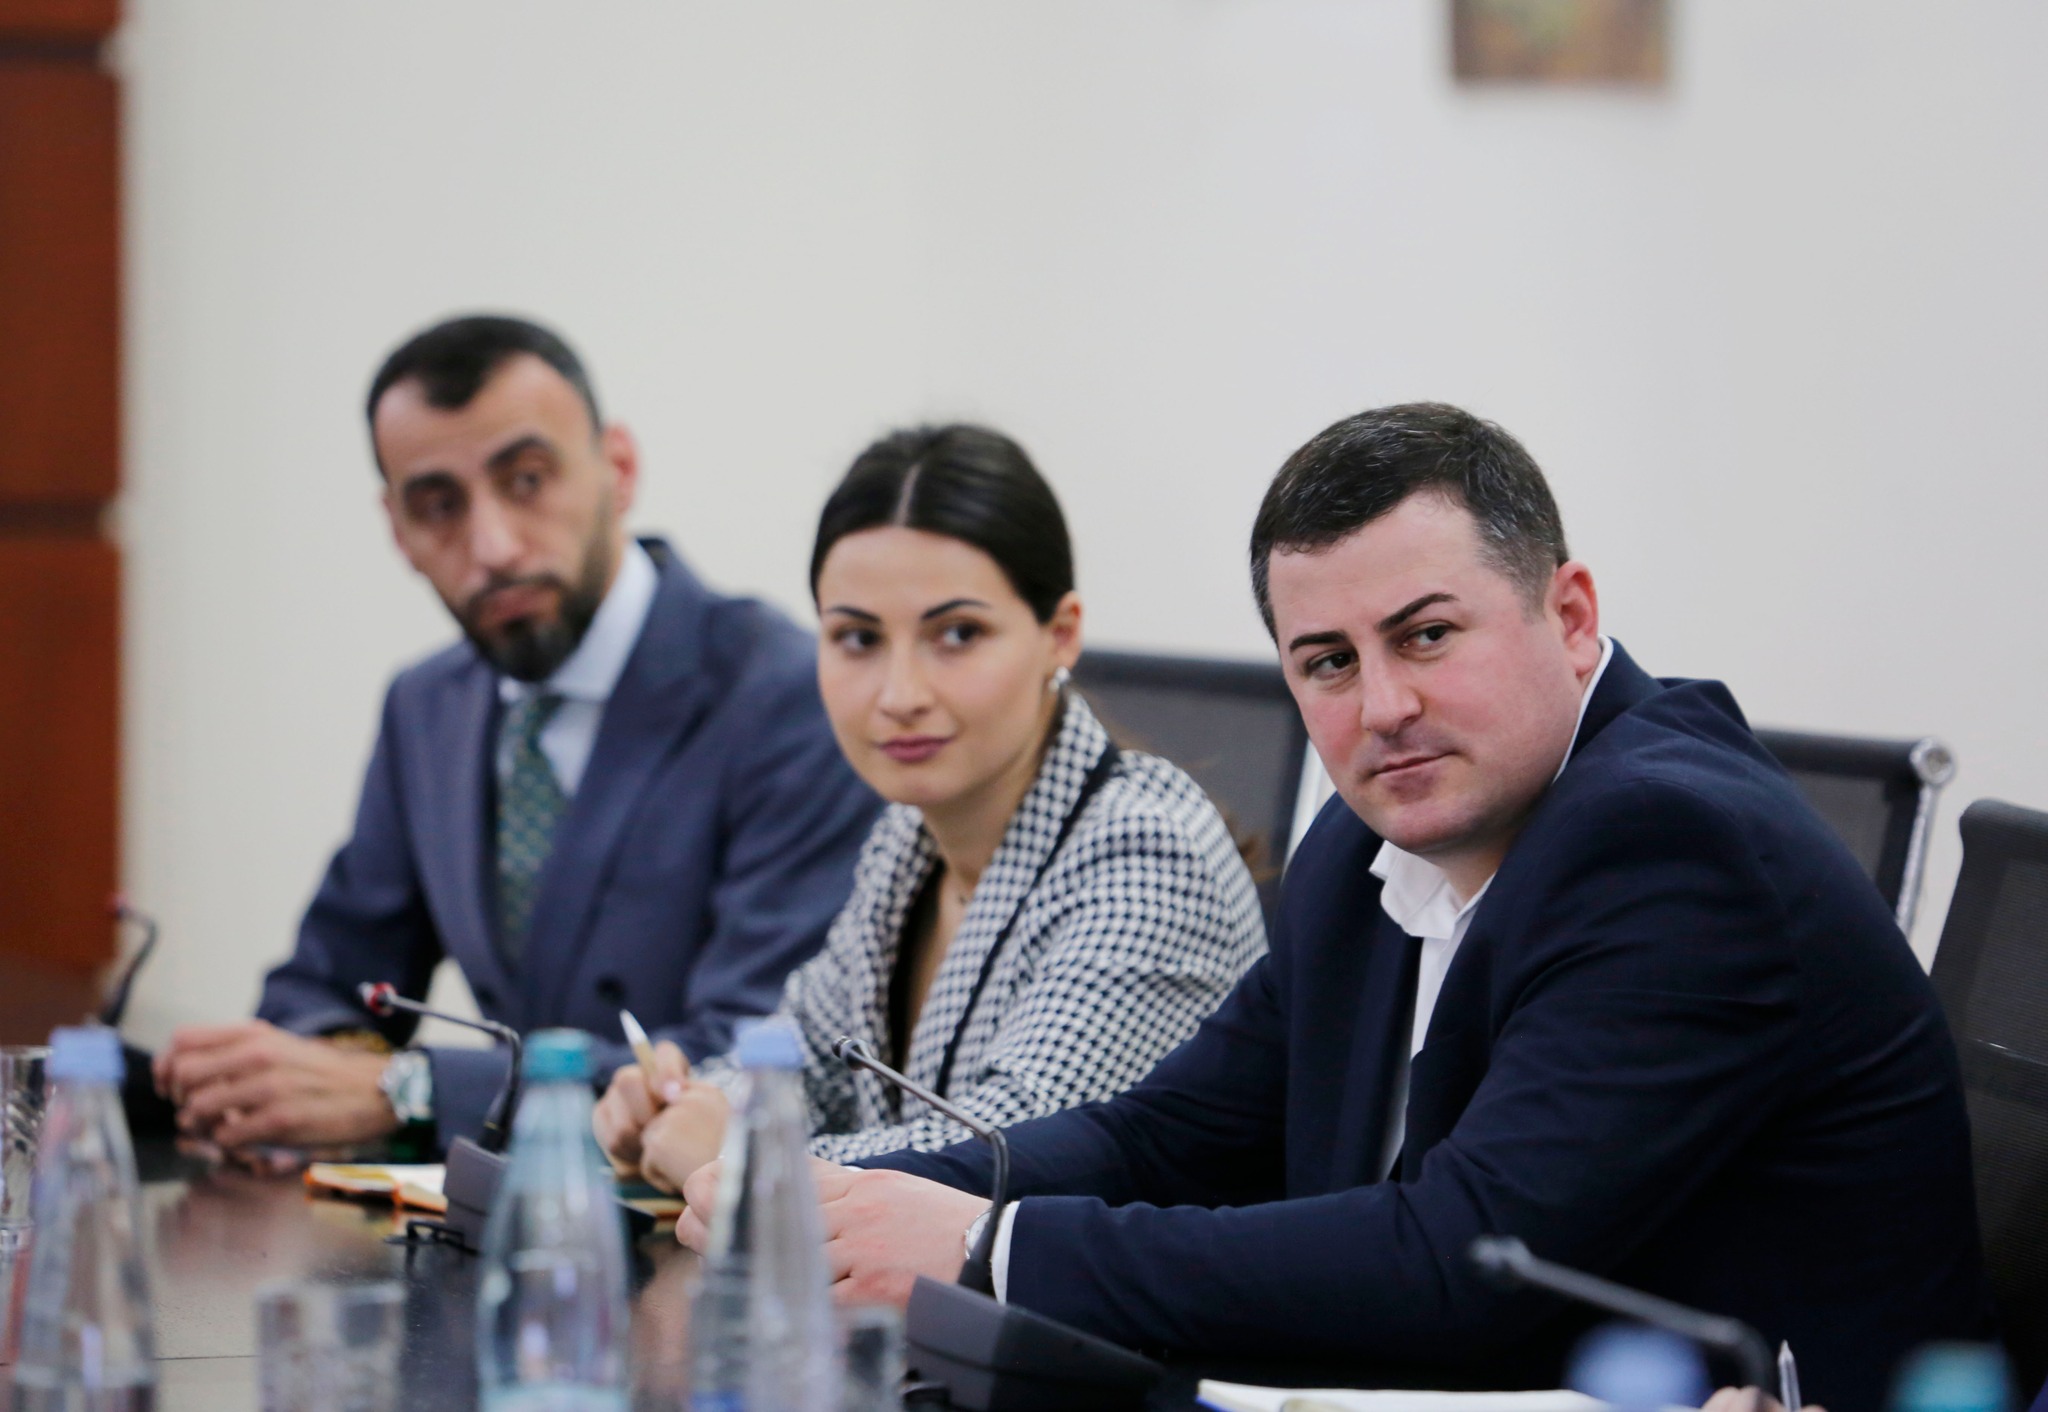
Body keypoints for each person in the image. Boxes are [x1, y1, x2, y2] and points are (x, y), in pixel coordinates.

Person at [677, 404, 1990, 1412]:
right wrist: (837, 1191)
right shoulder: (1368, 841)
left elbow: (1460, 1260)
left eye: (1427, 636)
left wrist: (983, 1245)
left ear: (1571, 615)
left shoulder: (1672, 846)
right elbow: (1165, 1136)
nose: (1381, 707)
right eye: (1326, 662)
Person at [154, 316, 880, 1153]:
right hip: (492, 1212)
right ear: (396, 529)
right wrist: (304, 1073)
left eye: (527, 480)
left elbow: (757, 1055)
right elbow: (331, 983)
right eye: (439, 506)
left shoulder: (786, 697)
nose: (492, 546)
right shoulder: (427, 707)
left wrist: (413, 1088)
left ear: (618, 468)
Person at [593, 424, 1266, 1191]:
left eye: (957, 633)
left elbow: (1005, 1153)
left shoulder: (1151, 861)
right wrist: (684, 1102)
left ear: (1060, 635)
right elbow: (801, 1063)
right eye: (858, 638)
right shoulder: (907, 838)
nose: (900, 694)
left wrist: (743, 1155)